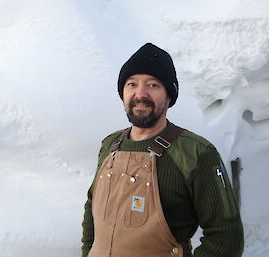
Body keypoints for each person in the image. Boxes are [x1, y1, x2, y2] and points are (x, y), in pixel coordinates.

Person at [81, 43, 244, 257]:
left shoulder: (196, 152)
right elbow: (92, 211)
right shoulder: (109, 144)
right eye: (131, 84)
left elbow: (226, 237)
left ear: (169, 96)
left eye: (152, 85)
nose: (140, 94)